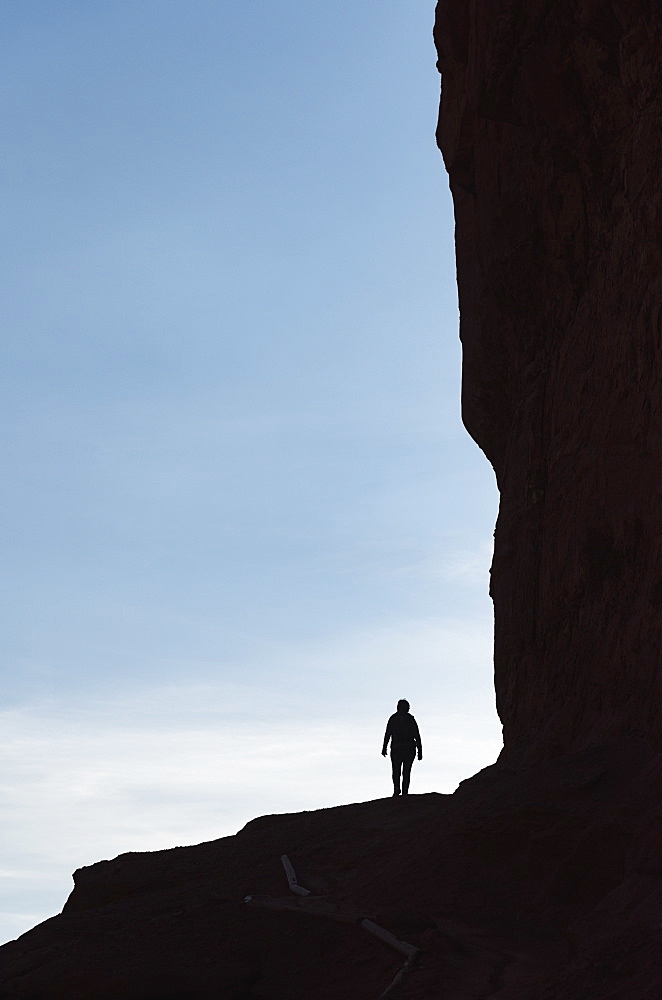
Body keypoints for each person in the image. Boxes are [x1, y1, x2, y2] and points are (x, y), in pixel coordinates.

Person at [381, 699, 422, 796]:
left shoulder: (394, 718)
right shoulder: (409, 719)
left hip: (398, 748)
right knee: (405, 771)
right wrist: (420, 750)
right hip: (405, 748)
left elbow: (388, 734)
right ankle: (403, 791)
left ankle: (398, 790)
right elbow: (417, 735)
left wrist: (384, 747)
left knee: (397, 771)